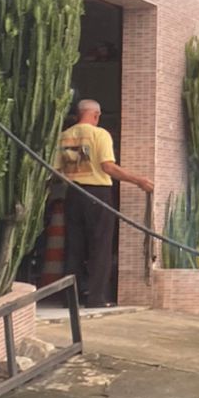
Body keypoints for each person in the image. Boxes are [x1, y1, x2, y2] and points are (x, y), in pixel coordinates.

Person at [55, 99, 153, 308]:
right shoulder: (100, 135)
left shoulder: (64, 136)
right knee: (100, 247)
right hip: (97, 194)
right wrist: (139, 181)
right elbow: (108, 167)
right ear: (96, 115)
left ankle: (70, 299)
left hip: (73, 194)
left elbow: (57, 170)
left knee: (74, 247)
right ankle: (96, 298)